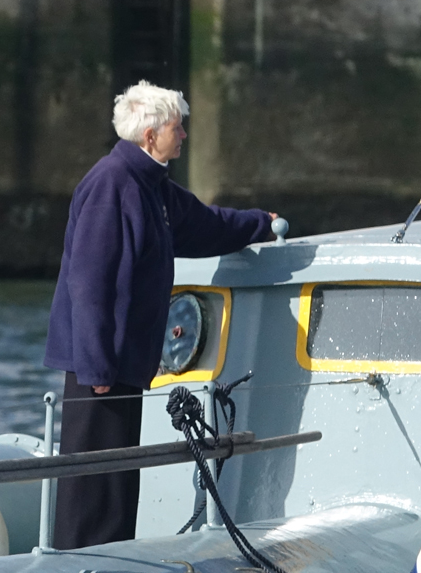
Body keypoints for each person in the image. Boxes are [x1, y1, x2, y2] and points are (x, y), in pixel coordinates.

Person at [45, 82, 276, 549]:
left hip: (123, 362)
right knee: (92, 480)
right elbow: (89, 282)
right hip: (102, 367)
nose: (185, 135)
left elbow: (203, 226)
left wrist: (261, 224)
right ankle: (79, 563)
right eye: (177, 127)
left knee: (118, 475)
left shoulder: (151, 186)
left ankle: (108, 558)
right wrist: (96, 366)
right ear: (151, 135)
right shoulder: (111, 184)